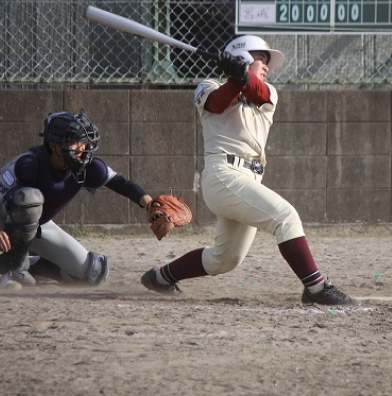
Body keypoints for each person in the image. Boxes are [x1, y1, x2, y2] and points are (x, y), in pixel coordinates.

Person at [141, 35, 359, 306]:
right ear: (241, 57)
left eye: (267, 61)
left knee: (225, 258)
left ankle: (160, 278)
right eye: (261, 59)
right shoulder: (208, 86)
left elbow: (258, 92)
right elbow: (217, 103)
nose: (266, 66)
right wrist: (236, 78)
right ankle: (316, 287)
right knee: (285, 217)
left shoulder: (269, 91)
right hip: (223, 175)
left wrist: (242, 75)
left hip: (249, 179)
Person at [0, 109, 154, 288]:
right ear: (54, 145)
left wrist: (150, 204)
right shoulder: (29, 164)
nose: (81, 148)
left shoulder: (88, 167)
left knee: (93, 273)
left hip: (41, 224)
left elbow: (121, 183)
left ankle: (33, 265)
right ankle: (13, 268)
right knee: (28, 199)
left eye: (83, 142)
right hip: (8, 217)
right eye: (74, 142)